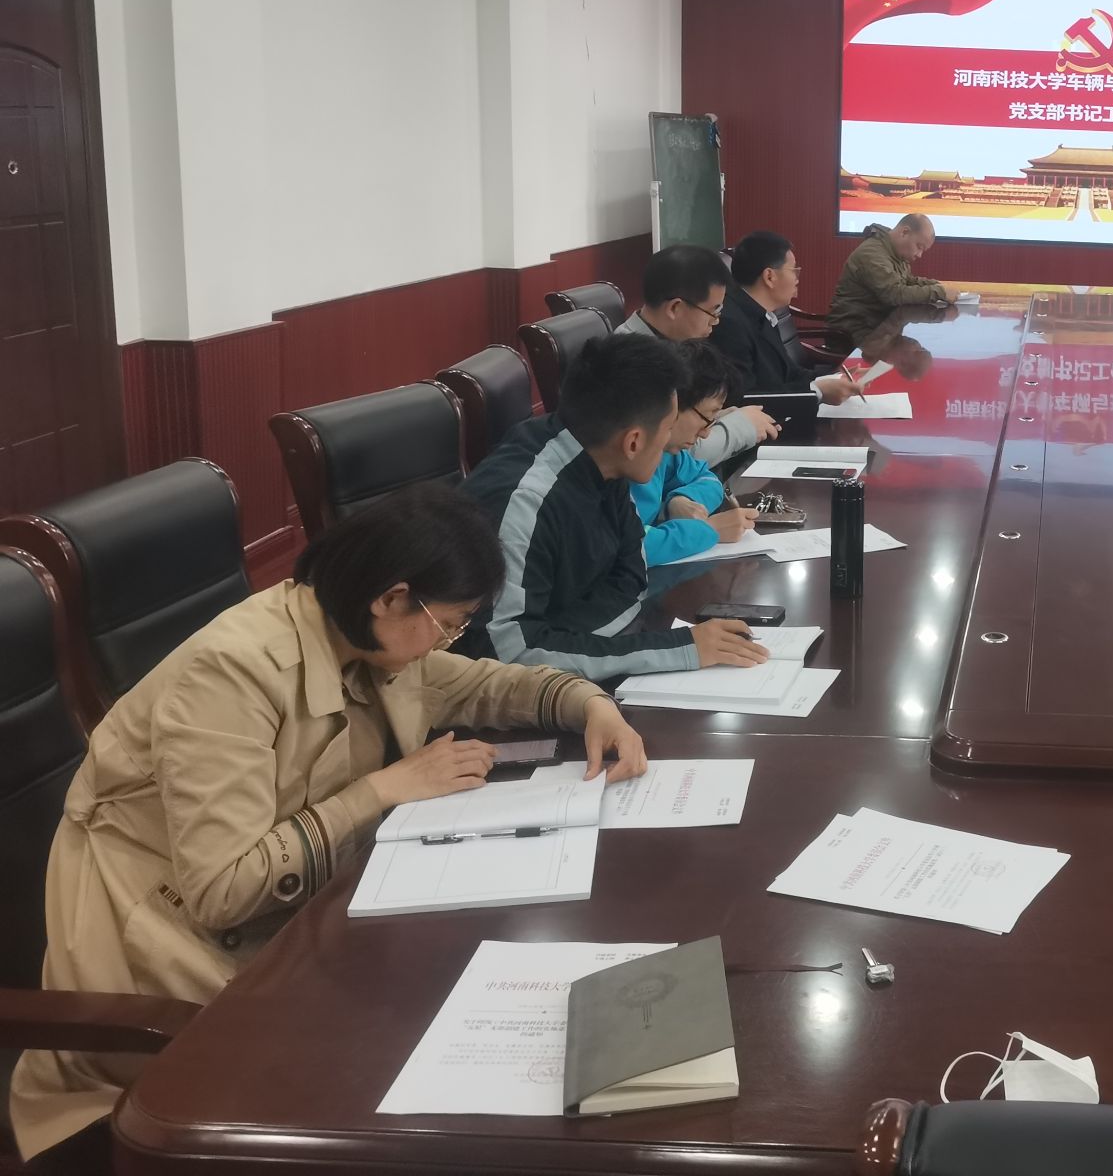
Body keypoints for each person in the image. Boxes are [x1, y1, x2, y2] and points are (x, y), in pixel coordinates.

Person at [7, 486, 650, 1165]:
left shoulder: (354, 635)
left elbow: (482, 685)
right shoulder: (229, 676)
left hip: (297, 933)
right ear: (392, 598)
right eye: (447, 624)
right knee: (438, 1080)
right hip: (166, 975)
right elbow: (222, 890)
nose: (447, 642)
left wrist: (588, 704)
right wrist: (381, 790)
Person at [457, 332, 769, 680]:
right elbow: (507, 652)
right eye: (667, 429)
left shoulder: (604, 460)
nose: (671, 442)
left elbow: (632, 576)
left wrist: (573, 640)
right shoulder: (526, 501)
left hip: (571, 660)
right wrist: (677, 648)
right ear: (634, 441)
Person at [615, 244, 778, 463]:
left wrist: (714, 416)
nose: (716, 322)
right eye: (713, 311)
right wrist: (742, 428)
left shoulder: (668, 346)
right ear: (675, 308)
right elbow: (676, 454)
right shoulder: (633, 364)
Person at [633, 341, 763, 568]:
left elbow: (707, 478)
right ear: (674, 402)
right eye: (707, 417)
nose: (706, 433)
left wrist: (680, 500)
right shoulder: (622, 461)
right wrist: (708, 530)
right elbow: (628, 547)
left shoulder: (667, 451)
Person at [709, 230, 857, 402]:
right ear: (769, 276)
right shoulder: (730, 324)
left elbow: (790, 373)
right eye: (794, 271)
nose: (797, 279)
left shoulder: (762, 313)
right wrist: (818, 391)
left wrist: (836, 377)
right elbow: (745, 398)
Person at [827, 213, 953, 341]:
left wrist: (936, 285)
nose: (919, 255)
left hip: (878, 328)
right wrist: (938, 292)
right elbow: (894, 294)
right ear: (904, 232)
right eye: (919, 247)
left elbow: (907, 281)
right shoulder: (872, 254)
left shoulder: (895, 252)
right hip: (854, 334)